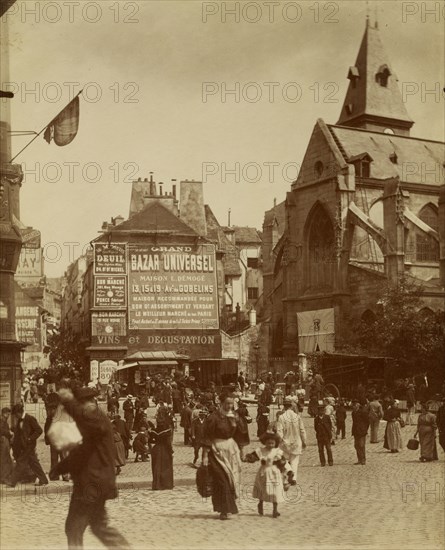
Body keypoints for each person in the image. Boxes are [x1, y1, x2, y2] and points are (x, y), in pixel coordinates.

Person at [50, 386, 130, 550]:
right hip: (94, 483)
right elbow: (81, 454)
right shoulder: (91, 425)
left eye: (82, 404)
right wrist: (59, 468)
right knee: (99, 527)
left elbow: (83, 418)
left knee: (74, 528)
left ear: (91, 402)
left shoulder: (95, 417)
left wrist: (69, 401)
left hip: (92, 484)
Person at [201, 393, 243, 520]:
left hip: (231, 450)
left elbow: (240, 435)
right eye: (227, 403)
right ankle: (224, 509)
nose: (230, 406)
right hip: (217, 451)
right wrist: (205, 456)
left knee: (232, 480)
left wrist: (241, 450)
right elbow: (206, 436)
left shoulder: (235, 417)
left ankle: (225, 507)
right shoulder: (214, 418)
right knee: (222, 480)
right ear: (221, 403)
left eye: (232, 403)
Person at [245, 431, 292, 518]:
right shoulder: (261, 451)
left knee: (276, 491)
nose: (270, 445)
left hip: (275, 472)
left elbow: (284, 463)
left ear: (276, 443)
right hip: (264, 472)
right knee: (263, 489)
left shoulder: (278, 452)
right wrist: (248, 458)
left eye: (272, 443)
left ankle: (275, 509)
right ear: (265, 442)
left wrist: (289, 472)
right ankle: (260, 503)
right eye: (268, 443)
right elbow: (252, 458)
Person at [8, 403, 49, 487]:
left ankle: (12, 482)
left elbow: (39, 430)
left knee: (20, 462)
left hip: (29, 445)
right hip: (24, 446)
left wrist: (30, 438)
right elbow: (19, 434)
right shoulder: (19, 420)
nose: (15, 416)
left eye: (15, 414)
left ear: (19, 412)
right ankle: (44, 480)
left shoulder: (30, 418)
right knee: (34, 463)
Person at [276, 396, 307, 481]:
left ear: (284, 407)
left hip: (286, 443)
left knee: (281, 457)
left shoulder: (281, 417)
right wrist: (304, 441)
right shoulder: (297, 417)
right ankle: (293, 479)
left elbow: (279, 431)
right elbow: (302, 430)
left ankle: (289, 470)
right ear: (291, 406)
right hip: (297, 442)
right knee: (295, 461)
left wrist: (280, 441)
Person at [150, 419, 174, 490]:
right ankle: (165, 484)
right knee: (165, 467)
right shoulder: (166, 432)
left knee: (156, 467)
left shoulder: (154, 431)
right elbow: (168, 443)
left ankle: (156, 484)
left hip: (156, 449)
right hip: (164, 450)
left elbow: (150, 440)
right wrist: (171, 451)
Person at [351, 400, 370, 465]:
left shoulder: (363, 412)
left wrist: (365, 429)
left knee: (361, 445)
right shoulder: (353, 413)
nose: (353, 406)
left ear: (358, 405)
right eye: (353, 405)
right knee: (356, 445)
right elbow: (354, 422)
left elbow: (367, 421)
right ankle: (359, 459)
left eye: (355, 405)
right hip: (356, 431)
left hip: (362, 431)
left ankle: (363, 459)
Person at [0, 407, 14, 484]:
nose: (8, 415)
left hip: (4, 441)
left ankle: (3, 477)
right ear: (4, 414)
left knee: (4, 460)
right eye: (8, 413)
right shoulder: (2, 421)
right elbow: (2, 431)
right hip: (3, 442)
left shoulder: (3, 421)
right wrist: (9, 433)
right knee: (5, 460)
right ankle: (4, 478)